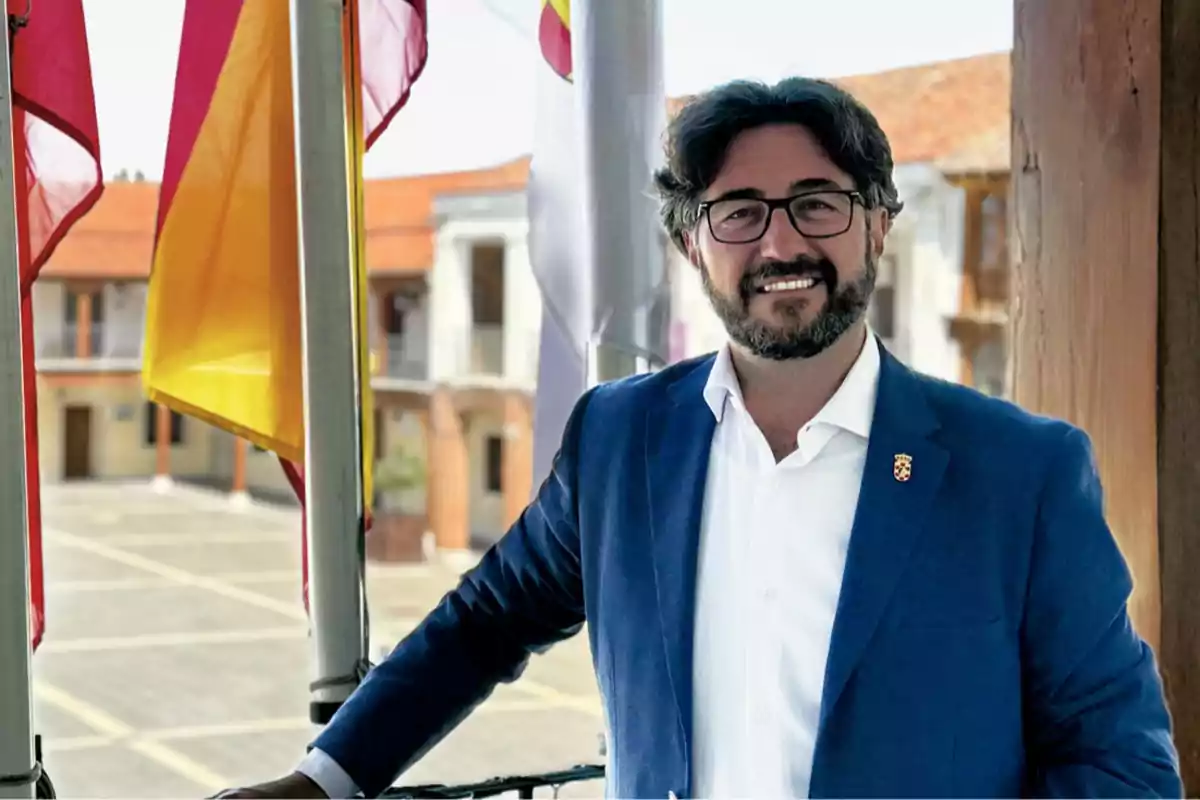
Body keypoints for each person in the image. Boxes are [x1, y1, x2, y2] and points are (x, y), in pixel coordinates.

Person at [221, 77, 1182, 799]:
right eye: (738, 212)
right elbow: (484, 625)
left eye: (818, 202)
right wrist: (323, 782)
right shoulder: (619, 441)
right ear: (692, 243)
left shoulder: (1019, 473)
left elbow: (1123, 766)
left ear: (877, 225)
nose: (779, 245)